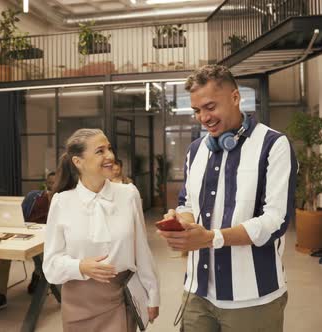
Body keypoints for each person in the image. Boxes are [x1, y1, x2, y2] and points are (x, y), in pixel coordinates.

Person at [158, 65, 297, 332]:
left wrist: (211, 238)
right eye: (197, 110)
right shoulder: (195, 150)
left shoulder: (274, 145)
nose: (203, 117)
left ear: (235, 97)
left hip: (253, 299)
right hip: (197, 292)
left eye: (210, 107)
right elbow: (186, 202)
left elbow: (275, 221)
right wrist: (182, 223)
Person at [43, 128, 160, 331]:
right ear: (78, 162)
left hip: (121, 296)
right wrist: (80, 266)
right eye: (100, 151)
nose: (110, 156)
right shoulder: (62, 202)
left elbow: (142, 251)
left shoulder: (128, 194)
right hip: (79, 302)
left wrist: (153, 293)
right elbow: (51, 265)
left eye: (109, 149)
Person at [0, 172, 56, 313]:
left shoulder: (64, 200)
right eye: (50, 182)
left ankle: (37, 274)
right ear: (46, 183)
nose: (52, 185)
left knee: (42, 258)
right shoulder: (33, 196)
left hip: (47, 238)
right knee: (5, 254)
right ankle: (0, 295)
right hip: (26, 233)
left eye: (56, 183)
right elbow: (19, 216)